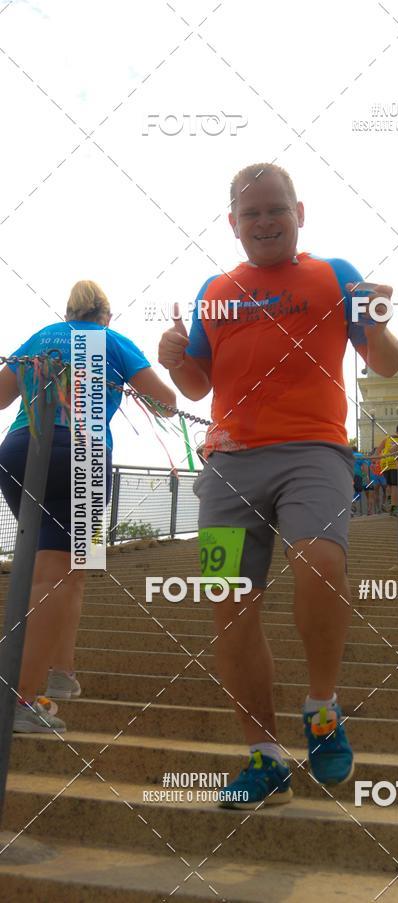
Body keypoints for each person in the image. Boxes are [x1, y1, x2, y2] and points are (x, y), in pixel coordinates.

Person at [158, 162, 398, 808]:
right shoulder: (215, 290)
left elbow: (386, 362)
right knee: (228, 602)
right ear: (232, 223)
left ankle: (321, 709)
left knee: (320, 560)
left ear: (300, 213)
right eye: (252, 213)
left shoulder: (335, 276)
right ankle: (264, 758)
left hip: (313, 451)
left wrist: (378, 322)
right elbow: (197, 385)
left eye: (277, 209)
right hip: (228, 462)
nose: (265, 221)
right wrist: (175, 358)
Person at [0, 280, 176, 733]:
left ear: (68, 313)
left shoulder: (41, 337)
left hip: (19, 449)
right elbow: (166, 405)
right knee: (59, 572)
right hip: (83, 456)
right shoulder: (113, 341)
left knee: (68, 568)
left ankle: (62, 674)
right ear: (106, 316)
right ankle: (20, 698)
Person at [376, 424, 398, 516]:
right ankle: (394, 507)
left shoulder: (387, 438)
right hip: (395, 464)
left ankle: (389, 500)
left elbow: (378, 450)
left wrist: (379, 459)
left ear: (396, 431)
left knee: (389, 484)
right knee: (395, 486)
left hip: (385, 463)